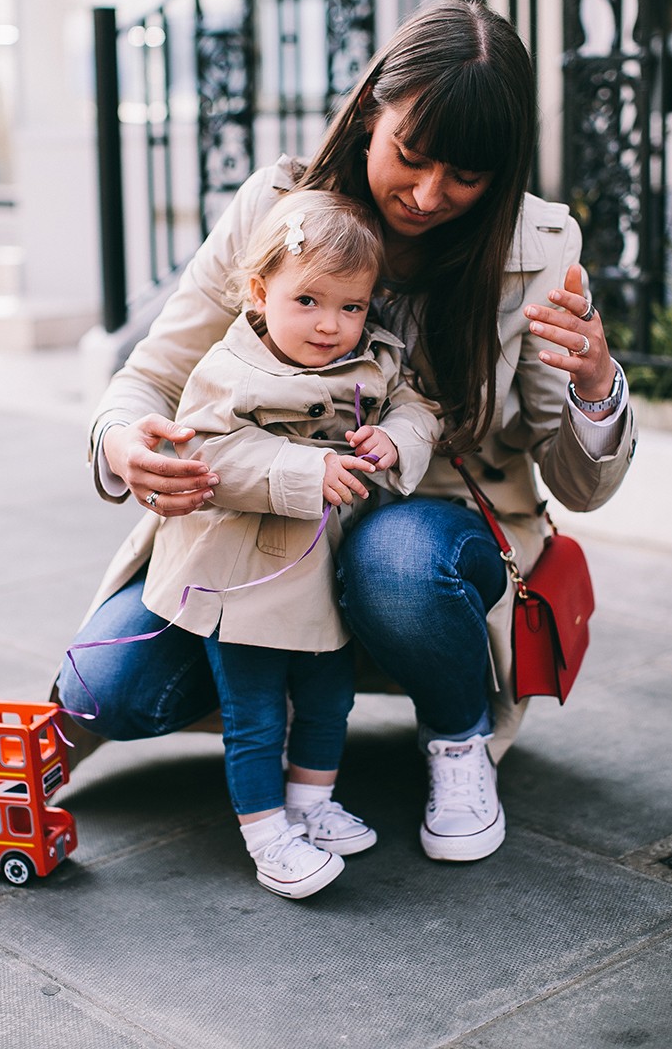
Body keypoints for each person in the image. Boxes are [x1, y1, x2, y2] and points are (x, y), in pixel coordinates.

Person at [56, 0, 636, 870]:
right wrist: (121, 439)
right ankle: (290, 687)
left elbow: (579, 483)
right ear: (373, 107)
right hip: (260, 534)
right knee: (100, 691)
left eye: (466, 175)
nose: (430, 195)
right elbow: (153, 371)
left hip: (429, 536)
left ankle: (456, 736)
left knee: (394, 563)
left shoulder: (540, 246)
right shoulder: (278, 210)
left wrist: (596, 384)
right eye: (412, 154)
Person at [126, 189, 439, 897]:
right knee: (256, 711)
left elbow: (422, 406)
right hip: (246, 577)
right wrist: (305, 467)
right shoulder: (227, 372)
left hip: (322, 572)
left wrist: (397, 436)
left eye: (352, 307)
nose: (333, 326)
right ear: (262, 293)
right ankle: (268, 835)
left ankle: (312, 805)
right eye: (309, 302)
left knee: (330, 697)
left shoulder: (375, 359)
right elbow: (209, 456)